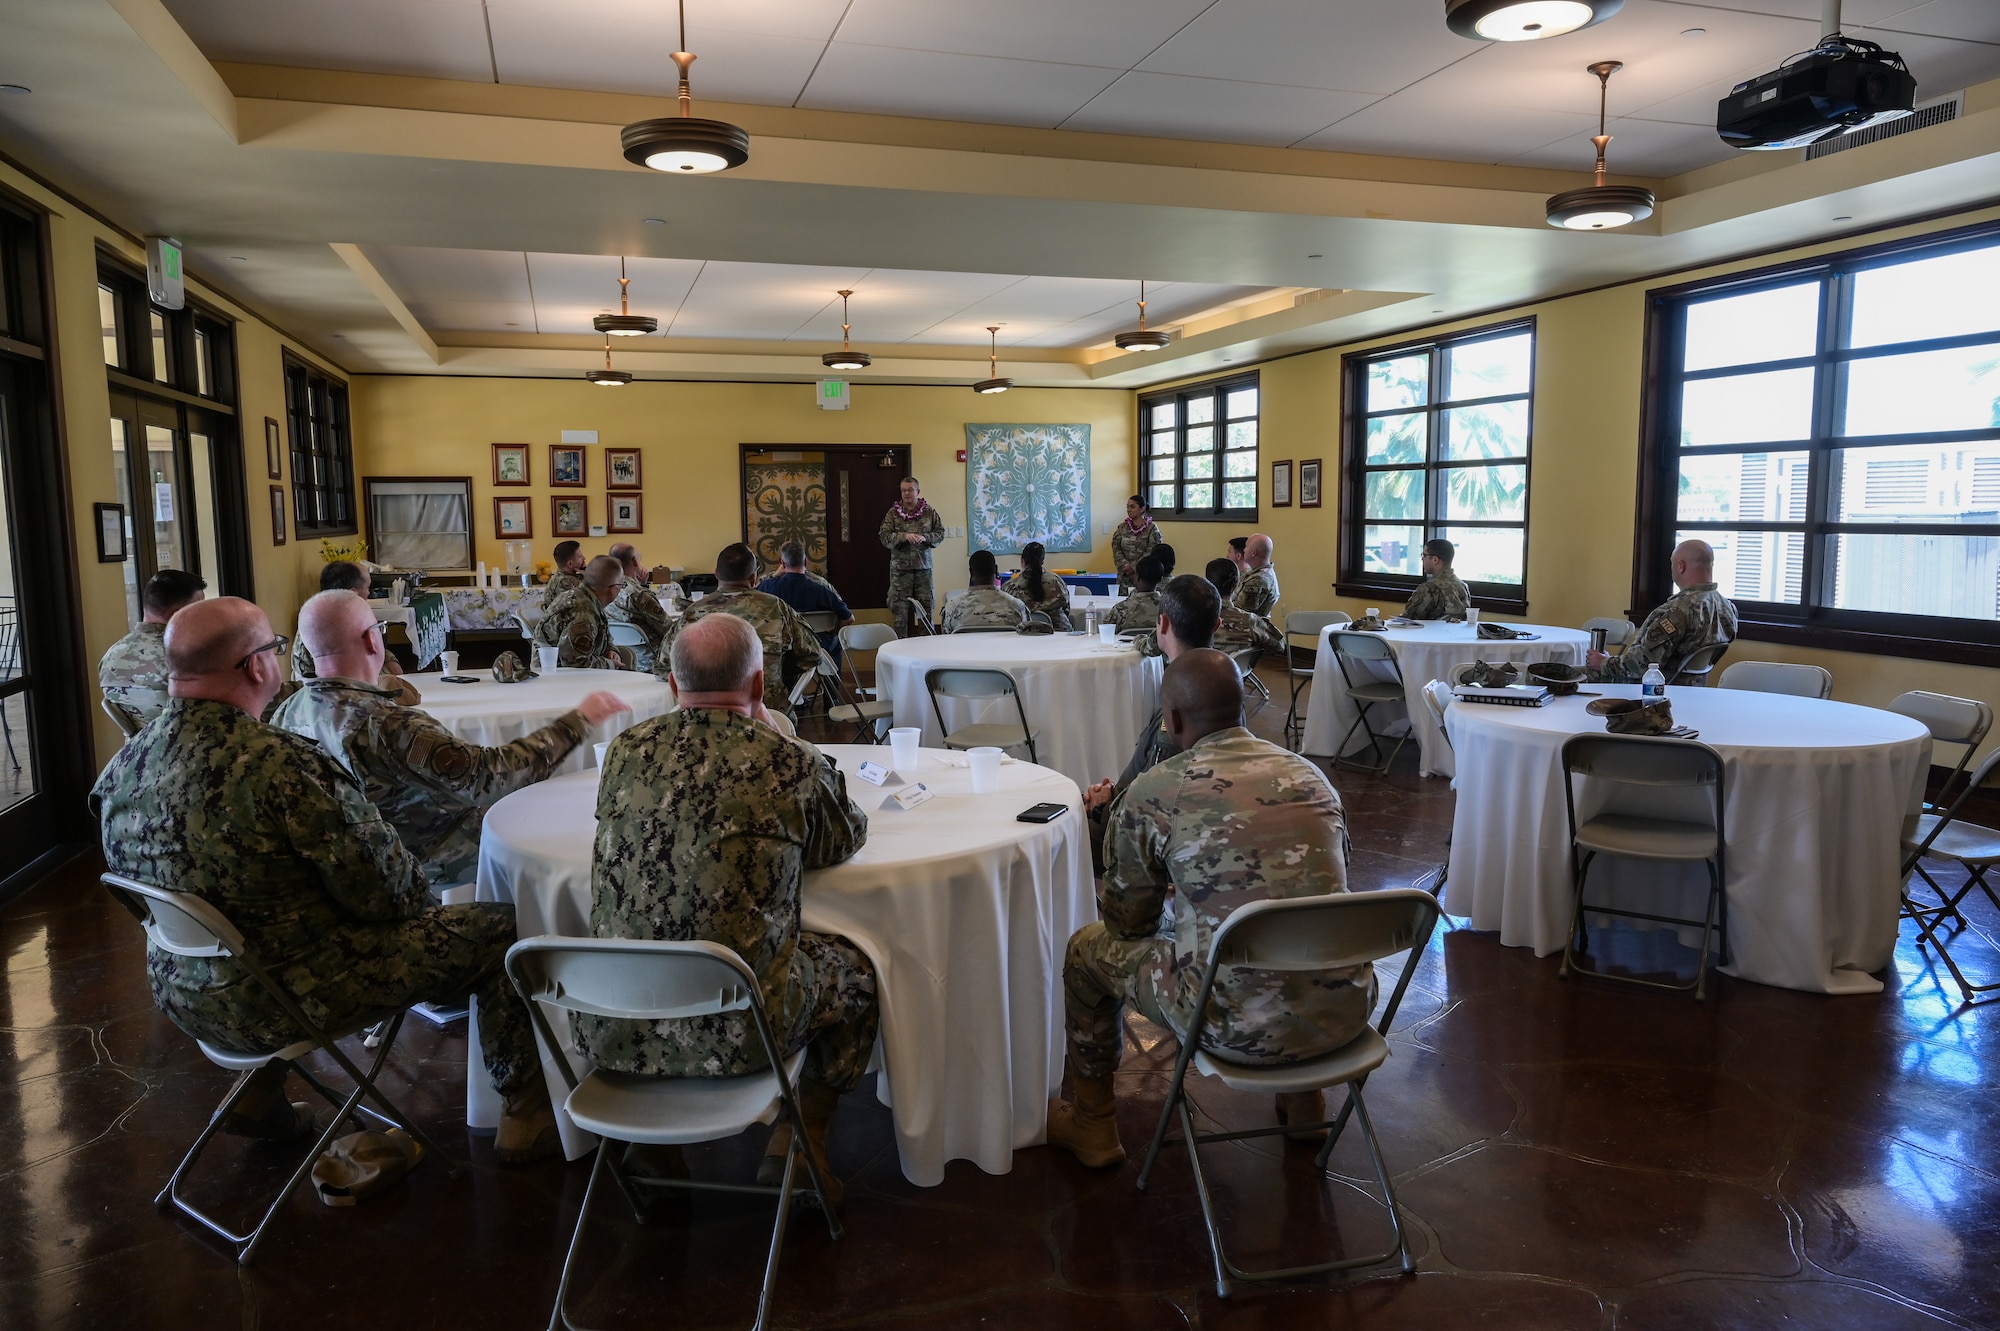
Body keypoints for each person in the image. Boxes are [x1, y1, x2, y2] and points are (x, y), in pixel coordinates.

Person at [89, 597, 559, 1162]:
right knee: (505, 934)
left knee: (262, 929)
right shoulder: (281, 765)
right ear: (257, 667)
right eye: (274, 649)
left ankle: (258, 1096)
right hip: (295, 994)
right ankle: (523, 1118)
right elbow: (395, 895)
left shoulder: (124, 766)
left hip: (185, 991)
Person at [579, 614, 875, 1207]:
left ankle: (652, 1148)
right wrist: (787, 741)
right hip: (743, 1030)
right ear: (761, 687)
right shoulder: (787, 759)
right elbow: (840, 841)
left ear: (670, 684)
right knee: (858, 968)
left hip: (612, 1019)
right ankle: (800, 1141)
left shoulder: (624, 753)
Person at [1046, 649, 1375, 1169]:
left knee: (1087, 953)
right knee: (1277, 924)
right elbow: (1314, 891)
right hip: (1342, 1018)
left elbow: (1128, 926)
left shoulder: (1156, 790)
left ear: (1171, 721)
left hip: (1228, 1025)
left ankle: (1092, 1125)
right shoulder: (1313, 778)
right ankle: (1305, 1099)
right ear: (1243, 709)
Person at [276, 590, 631, 891]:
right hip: (430, 869)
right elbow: (494, 777)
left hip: (348, 872)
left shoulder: (289, 712)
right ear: (372, 639)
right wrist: (578, 721)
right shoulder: (387, 725)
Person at [1081, 574, 1220, 870]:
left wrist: (1103, 806)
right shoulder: (1225, 687)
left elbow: (1152, 802)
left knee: (1066, 828)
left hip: (1161, 843)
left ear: (1164, 625)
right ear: (1217, 626)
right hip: (1205, 829)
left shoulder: (1175, 712)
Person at [659, 543, 820, 717]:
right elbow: (813, 654)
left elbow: (663, 665)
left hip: (702, 716)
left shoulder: (693, 612)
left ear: (716, 574)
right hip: (767, 714)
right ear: (753, 578)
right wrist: (777, 668)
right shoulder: (776, 607)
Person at [1587, 539, 1738, 683]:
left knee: (1573, 675)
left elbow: (1642, 666)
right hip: (1693, 690)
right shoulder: (1728, 609)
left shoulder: (1675, 613)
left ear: (1680, 566)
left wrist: (1603, 662)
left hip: (1650, 690)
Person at [294, 560, 419, 702]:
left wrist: (389, 658)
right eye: (368, 588)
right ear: (353, 592)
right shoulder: (322, 627)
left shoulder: (349, 615)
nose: (369, 593)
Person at [99, 568, 206, 726]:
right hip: (191, 745)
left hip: (139, 748)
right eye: (199, 609)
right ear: (179, 613)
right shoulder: (185, 658)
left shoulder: (111, 656)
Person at [759, 541, 854, 657]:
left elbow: (750, 595)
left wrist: (774, 575)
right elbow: (849, 619)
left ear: (782, 563)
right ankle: (831, 674)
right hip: (815, 649)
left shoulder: (766, 587)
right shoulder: (822, 589)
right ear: (805, 562)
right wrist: (832, 633)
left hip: (780, 648)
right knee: (836, 641)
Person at [535, 555, 630, 669]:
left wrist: (610, 650)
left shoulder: (584, 597)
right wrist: (609, 664)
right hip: (556, 679)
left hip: (562, 676)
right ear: (614, 589)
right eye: (622, 585)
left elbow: (602, 637)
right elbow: (576, 664)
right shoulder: (583, 613)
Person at [880, 477, 945, 637]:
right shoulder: (893, 513)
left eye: (910, 490)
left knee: (926, 612)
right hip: (900, 573)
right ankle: (900, 652)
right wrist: (904, 536)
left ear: (918, 491)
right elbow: (884, 536)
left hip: (923, 571)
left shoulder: (929, 512)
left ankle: (926, 652)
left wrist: (925, 538)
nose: (907, 493)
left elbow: (940, 533)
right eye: (904, 490)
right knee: (900, 616)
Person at [606, 542, 674, 672]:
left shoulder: (605, 588)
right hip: (651, 661)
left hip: (621, 658)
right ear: (634, 561)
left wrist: (640, 585)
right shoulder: (639, 595)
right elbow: (668, 629)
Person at [1203, 558, 1283, 658]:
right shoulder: (1250, 620)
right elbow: (1279, 646)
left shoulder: (1195, 617)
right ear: (1236, 585)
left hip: (1198, 670)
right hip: (1236, 672)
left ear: (1207, 584)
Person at [943, 550, 1028, 632]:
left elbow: (946, 638)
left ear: (971, 572)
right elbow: (1026, 635)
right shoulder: (1018, 607)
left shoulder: (952, 607)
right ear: (996, 569)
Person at [1003, 542, 1071, 630]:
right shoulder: (1056, 581)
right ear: (1042, 562)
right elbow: (1066, 608)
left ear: (1022, 560)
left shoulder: (1010, 586)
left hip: (1025, 633)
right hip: (1059, 632)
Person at [1402, 539, 1470, 621]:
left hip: (1427, 633)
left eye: (1424, 555)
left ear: (1435, 560)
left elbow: (1408, 620)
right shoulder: (1462, 586)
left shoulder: (1429, 588)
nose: (1422, 559)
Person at [1110, 494, 1160, 596]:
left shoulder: (1152, 528)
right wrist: (1125, 566)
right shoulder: (1122, 528)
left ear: (1142, 509)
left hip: (1143, 576)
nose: (1129, 509)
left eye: (1132, 507)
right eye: (1127, 507)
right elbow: (1116, 548)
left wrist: (1134, 567)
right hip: (1124, 576)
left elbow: (1152, 551)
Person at [1106, 555, 1165, 633]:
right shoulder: (1168, 610)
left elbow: (1105, 635)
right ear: (1160, 579)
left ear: (1137, 576)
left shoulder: (1120, 610)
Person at [1234, 533, 1279, 618]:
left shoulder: (1259, 580)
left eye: (1246, 547)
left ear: (1254, 552)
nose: (1244, 550)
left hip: (1247, 629)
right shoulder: (1256, 574)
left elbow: (1241, 613)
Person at [541, 540, 586, 607]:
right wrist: (589, 577)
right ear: (570, 563)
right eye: (580, 557)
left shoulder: (564, 577)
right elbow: (586, 602)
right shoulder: (564, 581)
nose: (584, 558)